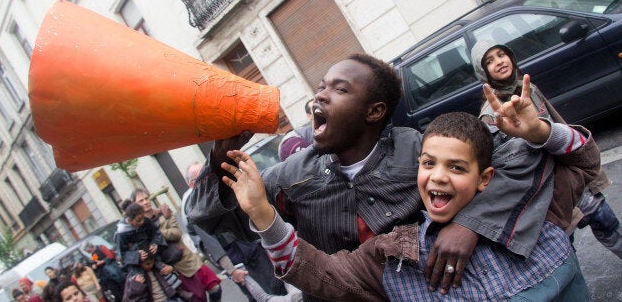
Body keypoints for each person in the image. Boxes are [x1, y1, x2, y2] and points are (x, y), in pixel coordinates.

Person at [185, 53, 582, 298]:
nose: (319, 95)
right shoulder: (290, 175)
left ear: (374, 112)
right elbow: (213, 219)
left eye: (339, 90)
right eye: (321, 86)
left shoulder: (423, 152)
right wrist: (218, 160)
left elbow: (525, 157)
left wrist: (469, 225)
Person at [220, 107, 597, 300]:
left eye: (457, 167)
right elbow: (317, 272)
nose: (438, 176)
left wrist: (540, 131)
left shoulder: (537, 211)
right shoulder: (395, 254)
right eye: (429, 163)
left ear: (485, 178)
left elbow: (583, 162)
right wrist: (264, 215)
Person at [472, 39, 622, 258]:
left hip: (573, 178)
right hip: (549, 195)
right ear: (483, 71)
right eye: (489, 61)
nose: (499, 62)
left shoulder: (528, 88)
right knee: (563, 250)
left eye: (501, 54)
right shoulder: (491, 115)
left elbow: (559, 124)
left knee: (607, 223)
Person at [183, 163, 302, 302]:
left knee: (279, 284)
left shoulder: (220, 193)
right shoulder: (195, 210)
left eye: (207, 174)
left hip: (253, 249)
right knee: (261, 296)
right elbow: (211, 244)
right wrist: (231, 270)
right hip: (236, 261)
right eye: (201, 178)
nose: (208, 180)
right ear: (192, 185)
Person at [132, 188, 223, 302]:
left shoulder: (164, 212)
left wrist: (156, 233)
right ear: (135, 205)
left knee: (215, 288)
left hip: (188, 260)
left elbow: (176, 233)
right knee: (197, 299)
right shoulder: (138, 228)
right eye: (141, 201)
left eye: (146, 198)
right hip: (172, 270)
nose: (145, 202)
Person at [114, 201, 184, 298]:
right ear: (129, 220)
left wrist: (155, 244)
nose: (142, 222)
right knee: (142, 284)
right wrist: (136, 256)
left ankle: (177, 292)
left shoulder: (146, 221)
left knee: (166, 274)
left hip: (153, 256)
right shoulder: (121, 233)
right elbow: (121, 254)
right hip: (136, 265)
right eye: (138, 221)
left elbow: (156, 233)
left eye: (143, 218)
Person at [122, 249, 186, 302]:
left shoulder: (158, 267)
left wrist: (171, 268)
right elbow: (128, 298)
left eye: (152, 262)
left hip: (171, 298)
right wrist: (136, 285)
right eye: (147, 264)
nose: (151, 265)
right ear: (139, 263)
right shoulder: (134, 276)